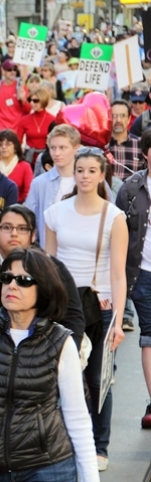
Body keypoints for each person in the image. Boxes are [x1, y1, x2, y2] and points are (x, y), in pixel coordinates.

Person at [0, 248, 99, 481]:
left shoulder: (61, 340)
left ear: (43, 289)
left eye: (24, 280)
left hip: (47, 467)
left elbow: (77, 418)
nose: (12, 285)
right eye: (6, 278)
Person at [45, 147, 128, 472]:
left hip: (101, 305)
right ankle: (63, 441)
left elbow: (119, 273)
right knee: (62, 375)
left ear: (101, 174)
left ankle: (99, 445)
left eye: (92, 170)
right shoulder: (56, 213)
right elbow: (49, 266)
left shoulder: (113, 216)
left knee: (98, 378)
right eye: (80, 170)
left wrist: (119, 320)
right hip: (63, 306)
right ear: (73, 171)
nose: (85, 176)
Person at [0, 204, 85, 347]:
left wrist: (64, 355)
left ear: (32, 235)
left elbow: (72, 317)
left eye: (22, 228)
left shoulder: (52, 268)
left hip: (44, 350)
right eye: (7, 227)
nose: (14, 233)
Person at [117, 129, 151, 426]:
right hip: (142, 273)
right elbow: (117, 233)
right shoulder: (131, 188)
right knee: (149, 336)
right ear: (145, 154)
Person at [25, 124, 81, 248]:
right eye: (53, 148)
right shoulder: (39, 183)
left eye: (62, 148)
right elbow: (28, 220)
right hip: (49, 254)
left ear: (76, 148)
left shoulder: (89, 180)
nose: (57, 153)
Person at [16, 87, 56, 166]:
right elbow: (17, 142)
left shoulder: (52, 120)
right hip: (29, 159)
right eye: (30, 100)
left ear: (43, 100)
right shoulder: (24, 120)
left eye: (35, 101)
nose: (31, 103)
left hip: (47, 159)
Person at [0, 60, 30, 131]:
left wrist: (23, 100)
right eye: (9, 69)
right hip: (0, 129)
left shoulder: (21, 87)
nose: (13, 72)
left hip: (17, 129)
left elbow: (28, 110)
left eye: (15, 69)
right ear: (3, 71)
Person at [109, 100, 143, 181]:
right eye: (114, 116)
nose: (118, 120)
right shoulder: (102, 145)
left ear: (129, 119)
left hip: (133, 193)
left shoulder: (140, 145)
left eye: (122, 115)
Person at [0, 129, 33, 202]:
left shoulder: (25, 166)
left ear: (15, 147)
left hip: (18, 206)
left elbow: (28, 192)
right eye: (0, 144)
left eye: (8, 144)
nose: (3, 147)